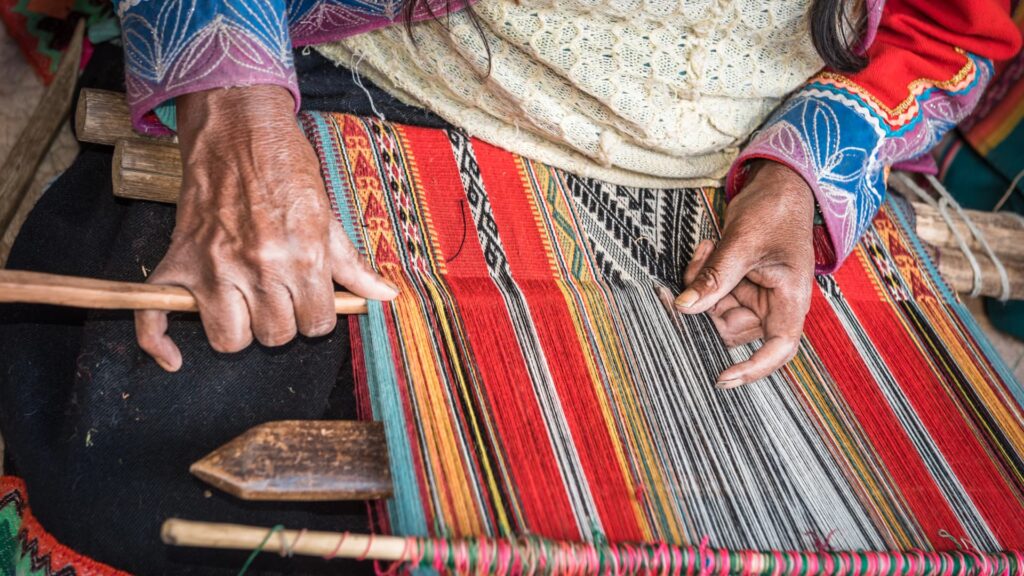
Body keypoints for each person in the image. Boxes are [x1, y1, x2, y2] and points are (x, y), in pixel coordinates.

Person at [0, 0, 1019, 573]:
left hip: (732, 180)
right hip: (378, 79)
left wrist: (807, 176)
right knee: (141, 487)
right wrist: (236, 113)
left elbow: (947, 29)